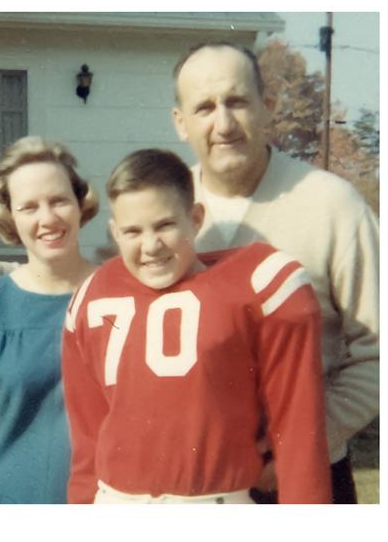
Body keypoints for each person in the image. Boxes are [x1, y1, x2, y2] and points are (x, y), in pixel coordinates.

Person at [0, 40, 378, 504]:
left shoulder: (332, 203)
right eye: (204, 107)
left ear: (266, 107)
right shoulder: (159, 198)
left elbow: (378, 352)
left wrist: (293, 441)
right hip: (178, 482)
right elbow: (92, 278)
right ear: (180, 121)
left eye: (237, 101)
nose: (223, 123)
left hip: (299, 467)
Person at [62, 148, 330, 503]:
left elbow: (298, 432)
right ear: (114, 232)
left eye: (165, 225)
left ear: (196, 218)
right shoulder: (93, 295)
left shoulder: (260, 284)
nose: (151, 245)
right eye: (132, 231)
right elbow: (87, 441)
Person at [0, 137, 98, 503]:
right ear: (10, 217)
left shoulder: (119, 294)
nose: (48, 218)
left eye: (59, 200)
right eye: (29, 207)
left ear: (80, 203)